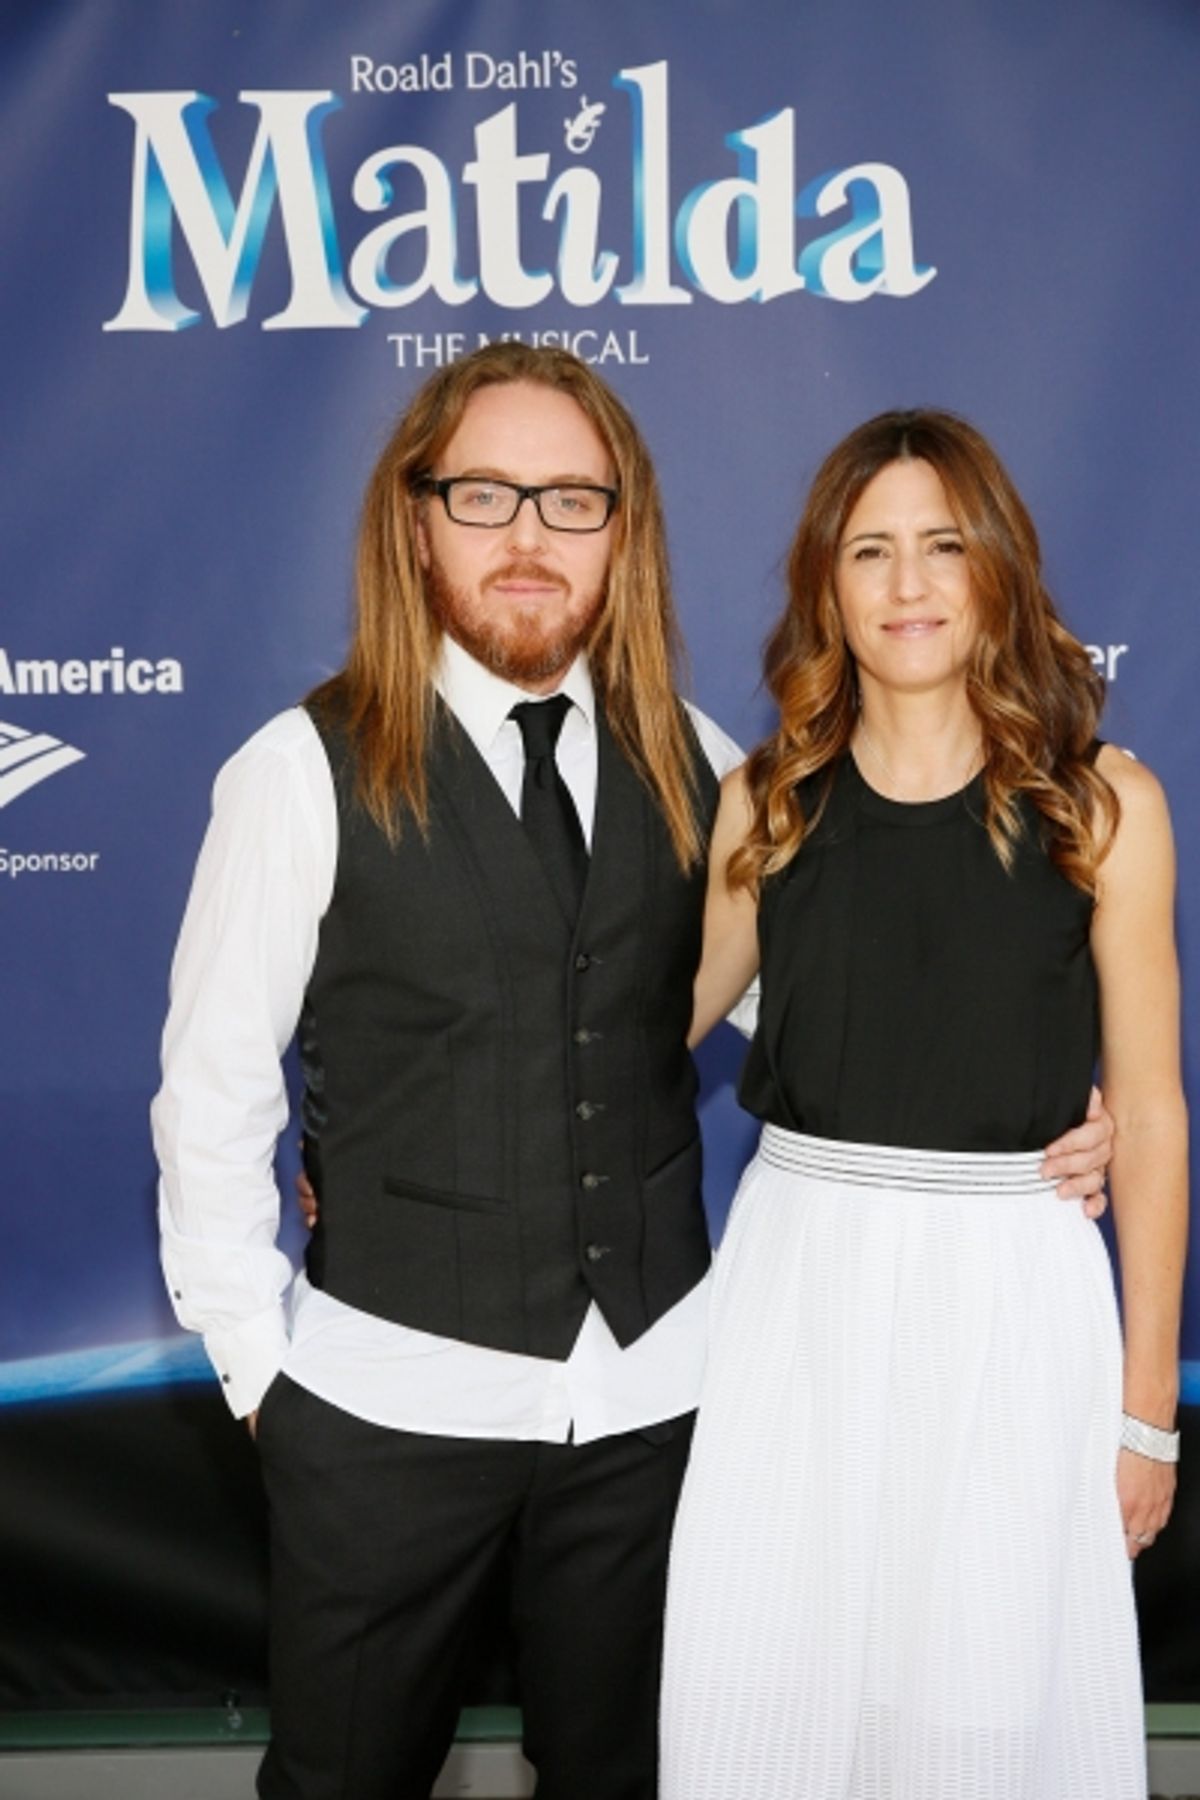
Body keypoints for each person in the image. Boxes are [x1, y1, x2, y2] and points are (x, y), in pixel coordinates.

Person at [152, 354, 1113, 1800]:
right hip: (384, 1415)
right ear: (417, 523)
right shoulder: (298, 771)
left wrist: (1039, 1115)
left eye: (573, 501)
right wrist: (261, 1377)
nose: (529, 536)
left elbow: (835, 1005)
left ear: (625, 530)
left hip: (656, 1413)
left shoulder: (713, 766)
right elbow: (212, 1092)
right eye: (485, 495)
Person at [659, 410, 1187, 1800]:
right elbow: (641, 1037)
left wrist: (1146, 1412)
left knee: (986, 1706)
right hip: (797, 1294)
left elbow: (1153, 1116)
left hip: (1015, 1291)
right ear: (825, 587)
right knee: (773, 1681)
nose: (908, 586)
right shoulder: (763, 806)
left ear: (997, 571)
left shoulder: (1104, 809)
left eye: (943, 547)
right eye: (871, 550)